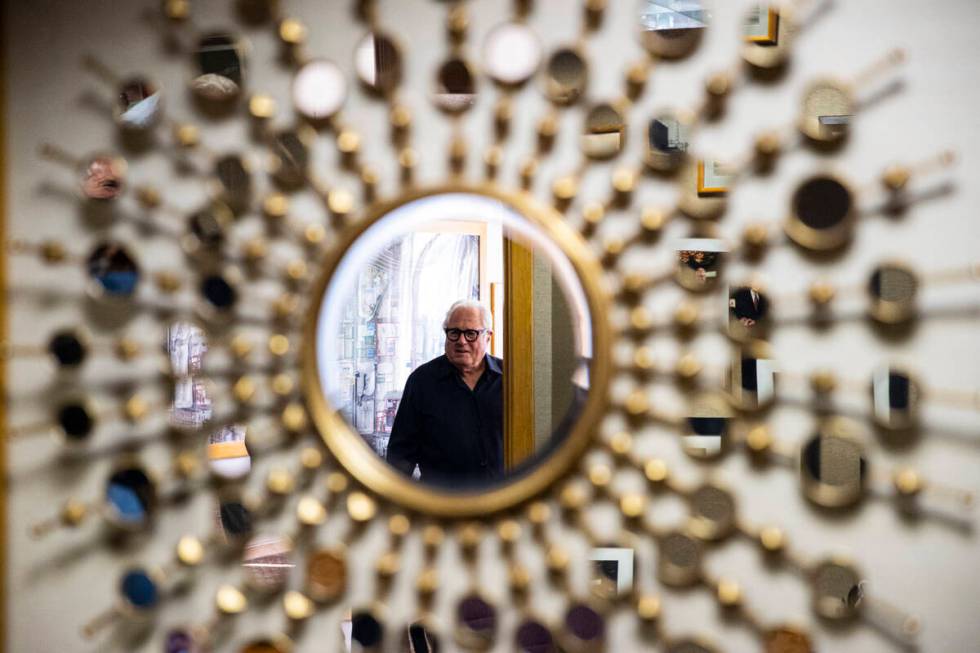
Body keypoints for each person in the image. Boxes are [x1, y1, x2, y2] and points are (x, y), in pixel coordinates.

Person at [386, 299, 503, 487]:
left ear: (488, 337)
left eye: (471, 334)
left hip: (504, 500)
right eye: (454, 333)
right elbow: (400, 456)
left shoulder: (510, 379)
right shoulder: (421, 382)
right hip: (441, 504)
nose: (461, 341)